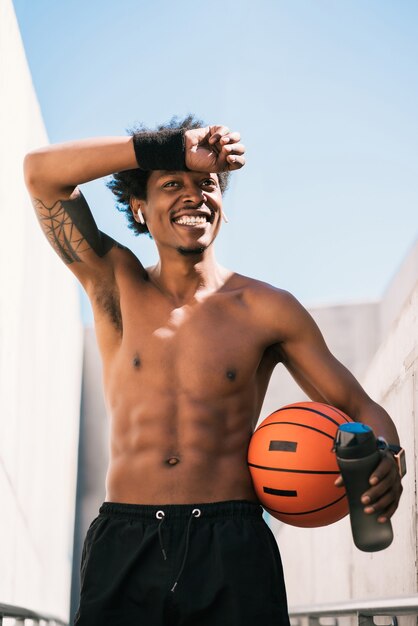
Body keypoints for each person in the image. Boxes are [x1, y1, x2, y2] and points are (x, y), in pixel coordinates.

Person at [24, 115, 405, 626]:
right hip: (127, 539)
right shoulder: (116, 284)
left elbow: (359, 407)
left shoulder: (267, 308)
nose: (193, 194)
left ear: (222, 204)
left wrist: (389, 458)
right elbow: (41, 173)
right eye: (171, 184)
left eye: (206, 184)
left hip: (232, 542)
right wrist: (172, 147)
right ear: (140, 207)